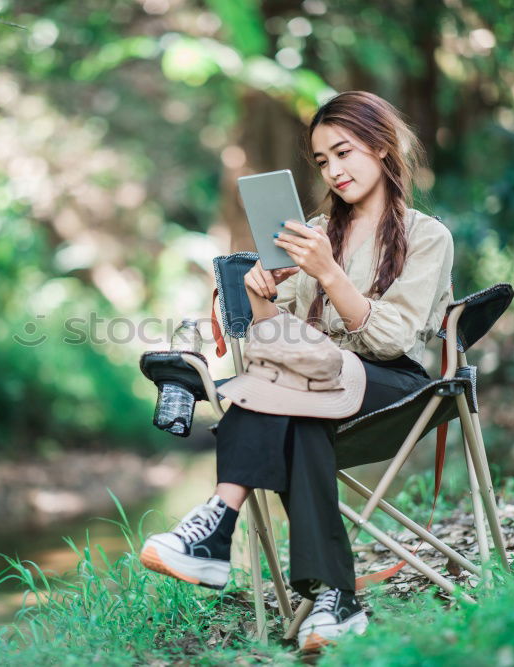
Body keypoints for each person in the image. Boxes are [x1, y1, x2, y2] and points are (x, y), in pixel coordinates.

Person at [140, 91, 454, 651]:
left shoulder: (427, 236)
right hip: (311, 384)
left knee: (288, 392)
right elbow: (277, 339)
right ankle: (336, 601)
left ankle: (217, 522)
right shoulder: (313, 230)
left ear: (381, 148)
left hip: (394, 386)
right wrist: (261, 297)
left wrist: (330, 273)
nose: (333, 170)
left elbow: (390, 339)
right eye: (322, 161)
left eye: (344, 153)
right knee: (301, 408)